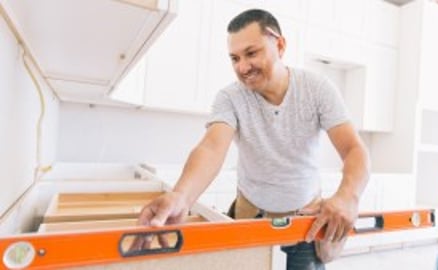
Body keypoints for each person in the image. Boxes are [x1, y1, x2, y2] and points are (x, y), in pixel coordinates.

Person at [132, 8, 370, 270]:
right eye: (234, 58)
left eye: (251, 53)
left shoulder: (317, 89)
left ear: (279, 45)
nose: (242, 67)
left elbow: (353, 150)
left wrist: (348, 195)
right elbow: (211, 148)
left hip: (305, 224)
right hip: (249, 218)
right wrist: (180, 196)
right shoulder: (230, 98)